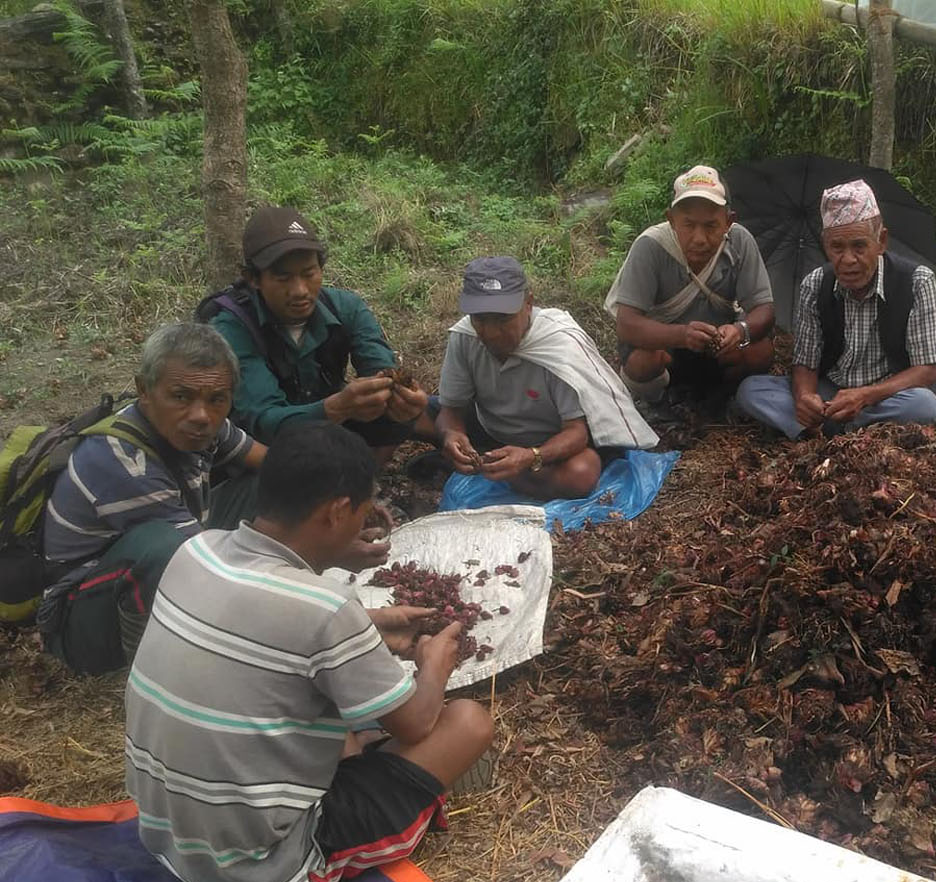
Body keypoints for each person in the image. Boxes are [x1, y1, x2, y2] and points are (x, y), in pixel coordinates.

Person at [125, 423, 494, 882]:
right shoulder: (328, 608)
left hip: (166, 834)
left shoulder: (197, 550)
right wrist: (434, 663)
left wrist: (371, 622)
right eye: (361, 513)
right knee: (468, 721)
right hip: (264, 862)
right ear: (338, 511)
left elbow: (266, 619)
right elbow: (415, 724)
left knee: (332, 709)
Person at [38, 323, 271, 676]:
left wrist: (344, 505)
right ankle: (152, 671)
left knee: (268, 485)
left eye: (217, 399)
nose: (200, 415)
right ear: (144, 391)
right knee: (161, 547)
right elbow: (203, 566)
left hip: (173, 544)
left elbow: (276, 465)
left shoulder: (204, 424)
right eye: (180, 396)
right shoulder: (122, 461)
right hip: (82, 619)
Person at [735, 179, 936, 439]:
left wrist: (865, 396)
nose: (848, 260)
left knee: (923, 404)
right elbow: (805, 363)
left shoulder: (916, 281)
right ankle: (849, 428)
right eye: (837, 248)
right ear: (825, 246)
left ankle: (826, 430)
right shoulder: (816, 284)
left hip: (888, 393)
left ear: (881, 241)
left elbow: (926, 370)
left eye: (859, 246)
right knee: (751, 390)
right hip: (832, 394)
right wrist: (806, 397)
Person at [203, 205, 433, 458]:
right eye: (283, 278)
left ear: (321, 269)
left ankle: (363, 477)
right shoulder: (232, 328)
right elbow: (263, 419)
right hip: (265, 446)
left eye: (309, 273)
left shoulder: (346, 307)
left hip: (329, 425)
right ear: (253, 279)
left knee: (397, 418)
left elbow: (381, 367)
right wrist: (336, 408)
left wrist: (402, 400)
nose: (300, 290)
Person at [436, 256, 658, 501]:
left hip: (549, 442)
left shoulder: (556, 344)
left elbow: (577, 432)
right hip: (491, 429)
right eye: (480, 320)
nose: (490, 333)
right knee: (408, 409)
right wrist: (452, 434)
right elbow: (451, 410)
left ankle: (498, 471)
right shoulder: (464, 337)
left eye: (502, 320)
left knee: (581, 473)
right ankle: (491, 465)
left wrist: (532, 456)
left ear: (528, 303)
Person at [606, 165, 776, 407]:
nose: (699, 238)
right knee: (643, 362)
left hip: (717, 348)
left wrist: (740, 331)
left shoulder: (740, 241)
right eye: (688, 225)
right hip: (668, 350)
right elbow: (627, 324)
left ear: (728, 222)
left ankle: (721, 395)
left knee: (761, 351)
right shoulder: (650, 246)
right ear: (671, 220)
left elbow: (764, 309)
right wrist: (683, 335)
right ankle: (659, 399)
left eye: (710, 226)